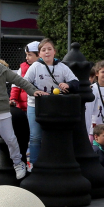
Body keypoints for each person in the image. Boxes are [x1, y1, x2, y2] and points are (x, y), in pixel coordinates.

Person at [23, 38, 79, 166]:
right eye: (43, 50)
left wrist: (68, 85)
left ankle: (52, 162)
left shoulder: (62, 67)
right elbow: (25, 83)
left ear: (54, 51)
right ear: (39, 54)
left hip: (55, 106)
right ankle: (34, 164)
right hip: (35, 105)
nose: (47, 52)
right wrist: (35, 91)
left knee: (53, 136)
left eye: (49, 49)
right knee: (35, 137)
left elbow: (76, 83)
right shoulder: (35, 67)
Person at [9, 41, 40, 111]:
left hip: (40, 106)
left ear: (38, 54)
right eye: (26, 55)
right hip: (23, 108)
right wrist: (13, 99)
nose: (26, 58)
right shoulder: (22, 68)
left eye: (29, 55)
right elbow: (15, 86)